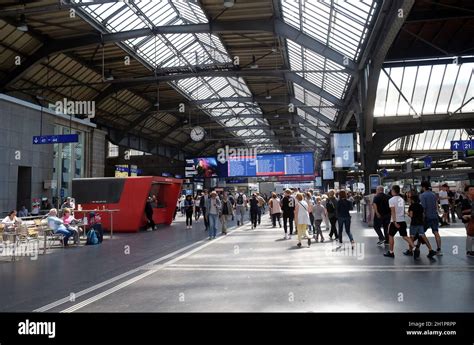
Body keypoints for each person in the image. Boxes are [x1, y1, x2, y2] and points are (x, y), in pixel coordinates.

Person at [384, 185, 415, 258]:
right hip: (402, 220)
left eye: (391, 190)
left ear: (394, 191)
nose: (391, 191)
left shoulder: (391, 200)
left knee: (391, 236)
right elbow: (402, 211)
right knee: (405, 236)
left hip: (395, 221)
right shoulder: (402, 199)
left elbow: (393, 211)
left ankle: (391, 252)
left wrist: (394, 222)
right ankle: (414, 248)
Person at [407, 195, 437, 260]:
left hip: (414, 224)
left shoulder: (412, 206)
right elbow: (423, 215)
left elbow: (411, 215)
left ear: (412, 200)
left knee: (411, 237)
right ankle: (430, 249)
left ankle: (410, 250)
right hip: (420, 223)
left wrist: (408, 214)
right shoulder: (420, 206)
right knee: (423, 236)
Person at [420, 181, 443, 256]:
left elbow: (423, 207)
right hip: (434, 216)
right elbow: (436, 205)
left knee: (421, 233)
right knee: (436, 232)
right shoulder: (433, 195)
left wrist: (422, 217)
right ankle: (439, 249)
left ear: (423, 187)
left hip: (427, 217)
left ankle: (417, 248)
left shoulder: (423, 195)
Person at [460, 185, 474, 257]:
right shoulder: (465, 201)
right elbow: (463, 211)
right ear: (467, 192)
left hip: (473, 219)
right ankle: (469, 251)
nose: (473, 191)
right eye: (471, 189)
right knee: (470, 235)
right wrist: (471, 211)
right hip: (467, 220)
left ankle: (471, 250)